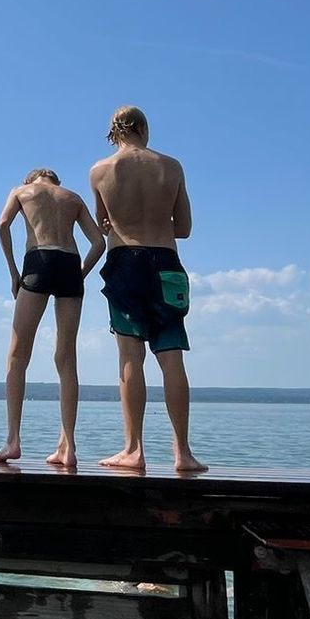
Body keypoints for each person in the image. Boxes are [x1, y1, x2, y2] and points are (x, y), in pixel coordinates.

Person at [89, 106, 206, 473]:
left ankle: (133, 449)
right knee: (171, 356)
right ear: (142, 128)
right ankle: (183, 453)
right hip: (165, 262)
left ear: (114, 132)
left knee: (130, 357)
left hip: (125, 260)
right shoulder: (171, 167)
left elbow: (103, 225)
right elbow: (183, 228)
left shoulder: (100, 171)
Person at [0, 168, 106, 469]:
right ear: (57, 182)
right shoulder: (72, 197)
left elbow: (2, 225)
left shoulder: (21, 191)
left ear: (31, 180)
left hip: (38, 260)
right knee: (66, 357)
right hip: (69, 264)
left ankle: (12, 440)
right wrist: (80, 274)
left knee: (17, 354)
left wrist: (14, 272)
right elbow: (99, 243)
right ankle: (67, 446)